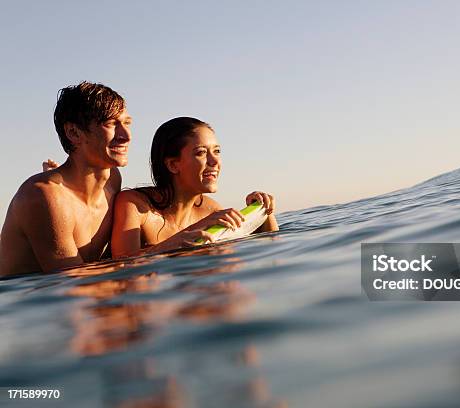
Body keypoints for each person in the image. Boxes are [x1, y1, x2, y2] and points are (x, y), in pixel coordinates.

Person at [0, 82, 132, 276]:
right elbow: (74, 283)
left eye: (127, 123)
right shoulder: (43, 195)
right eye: (110, 124)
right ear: (73, 132)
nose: (126, 136)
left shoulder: (112, 180)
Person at [111, 117, 278, 258]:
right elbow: (123, 265)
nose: (214, 162)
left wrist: (264, 212)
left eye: (217, 151)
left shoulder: (211, 210)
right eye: (201, 153)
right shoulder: (134, 205)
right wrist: (186, 235)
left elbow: (272, 247)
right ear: (173, 165)